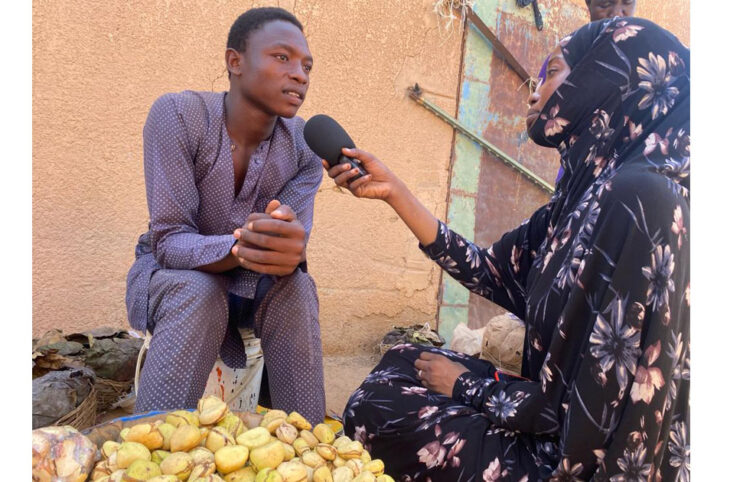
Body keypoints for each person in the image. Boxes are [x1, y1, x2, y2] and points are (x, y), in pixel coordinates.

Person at [326, 18, 689, 481]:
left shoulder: (639, 198)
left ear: (604, 80)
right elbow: (490, 270)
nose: (534, 94)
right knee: (402, 361)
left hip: (576, 463)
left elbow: (584, 424)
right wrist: (394, 191)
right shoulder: (583, 199)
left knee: (381, 407)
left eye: (552, 72)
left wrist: (470, 386)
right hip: (549, 416)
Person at [125, 7, 326, 423]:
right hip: (174, 277)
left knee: (298, 289)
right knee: (200, 292)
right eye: (282, 57)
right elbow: (170, 241)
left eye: (306, 65)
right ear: (235, 62)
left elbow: (288, 247)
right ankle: (151, 447)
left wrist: (286, 246)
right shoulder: (178, 116)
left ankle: (306, 448)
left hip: (254, 286)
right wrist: (242, 245)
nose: (300, 75)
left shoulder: (305, 150)